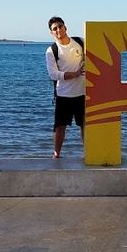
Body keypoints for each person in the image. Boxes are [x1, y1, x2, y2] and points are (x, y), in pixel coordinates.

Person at [45, 17, 85, 158]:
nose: (58, 30)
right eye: (54, 29)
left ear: (65, 27)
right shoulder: (52, 50)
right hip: (63, 95)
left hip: (82, 93)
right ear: (51, 33)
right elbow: (53, 74)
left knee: (84, 125)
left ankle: (88, 154)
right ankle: (56, 154)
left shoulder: (80, 42)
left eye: (60, 26)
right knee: (60, 127)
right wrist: (74, 74)